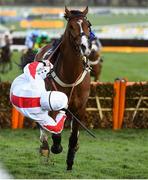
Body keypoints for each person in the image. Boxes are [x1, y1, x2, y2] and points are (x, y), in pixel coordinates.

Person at [10, 60, 68, 134]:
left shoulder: (38, 85)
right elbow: (57, 129)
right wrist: (62, 113)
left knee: (43, 71)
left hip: (16, 86)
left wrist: (43, 63)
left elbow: (29, 67)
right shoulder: (41, 115)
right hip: (16, 103)